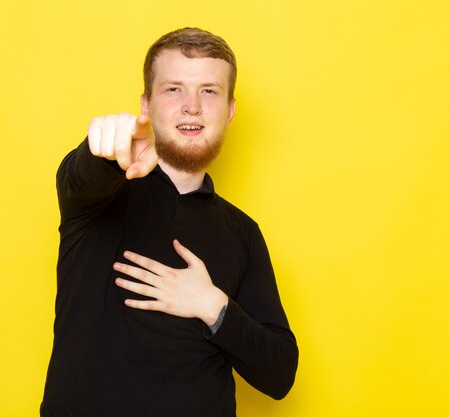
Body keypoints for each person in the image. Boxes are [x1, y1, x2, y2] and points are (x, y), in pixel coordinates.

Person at [40, 27, 298, 417]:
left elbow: (280, 374)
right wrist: (106, 150)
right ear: (146, 106)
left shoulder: (243, 232)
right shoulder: (98, 197)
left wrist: (212, 305)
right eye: (174, 89)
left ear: (229, 110)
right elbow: (80, 177)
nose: (191, 106)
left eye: (208, 91)